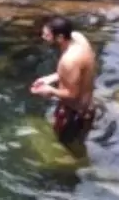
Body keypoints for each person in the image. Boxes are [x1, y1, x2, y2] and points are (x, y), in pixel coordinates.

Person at [30, 16, 98, 148]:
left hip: (75, 114)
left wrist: (50, 90)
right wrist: (50, 78)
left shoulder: (69, 60)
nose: (43, 37)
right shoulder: (77, 38)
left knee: (62, 146)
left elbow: (72, 94)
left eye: (47, 35)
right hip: (87, 107)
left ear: (60, 37)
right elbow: (79, 70)